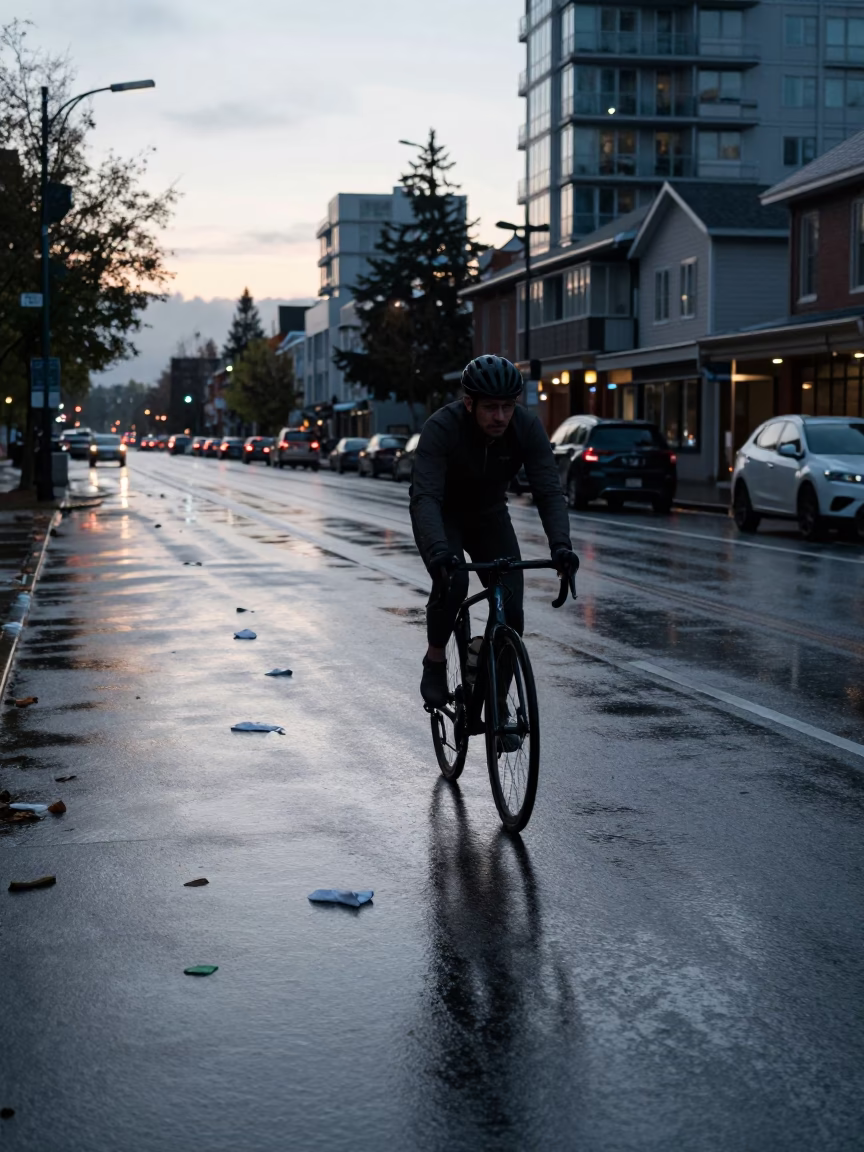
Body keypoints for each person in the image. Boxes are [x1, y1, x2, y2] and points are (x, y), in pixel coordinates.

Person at [410, 354, 579, 709]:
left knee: (512, 608)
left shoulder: (526, 428)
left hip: (489, 515)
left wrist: (561, 546)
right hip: (444, 515)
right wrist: (438, 549)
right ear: (469, 403)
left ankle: (494, 696)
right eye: (491, 408)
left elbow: (549, 491)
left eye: (508, 406)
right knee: (453, 582)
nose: (501, 416)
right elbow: (425, 496)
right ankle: (436, 658)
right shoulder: (442, 428)